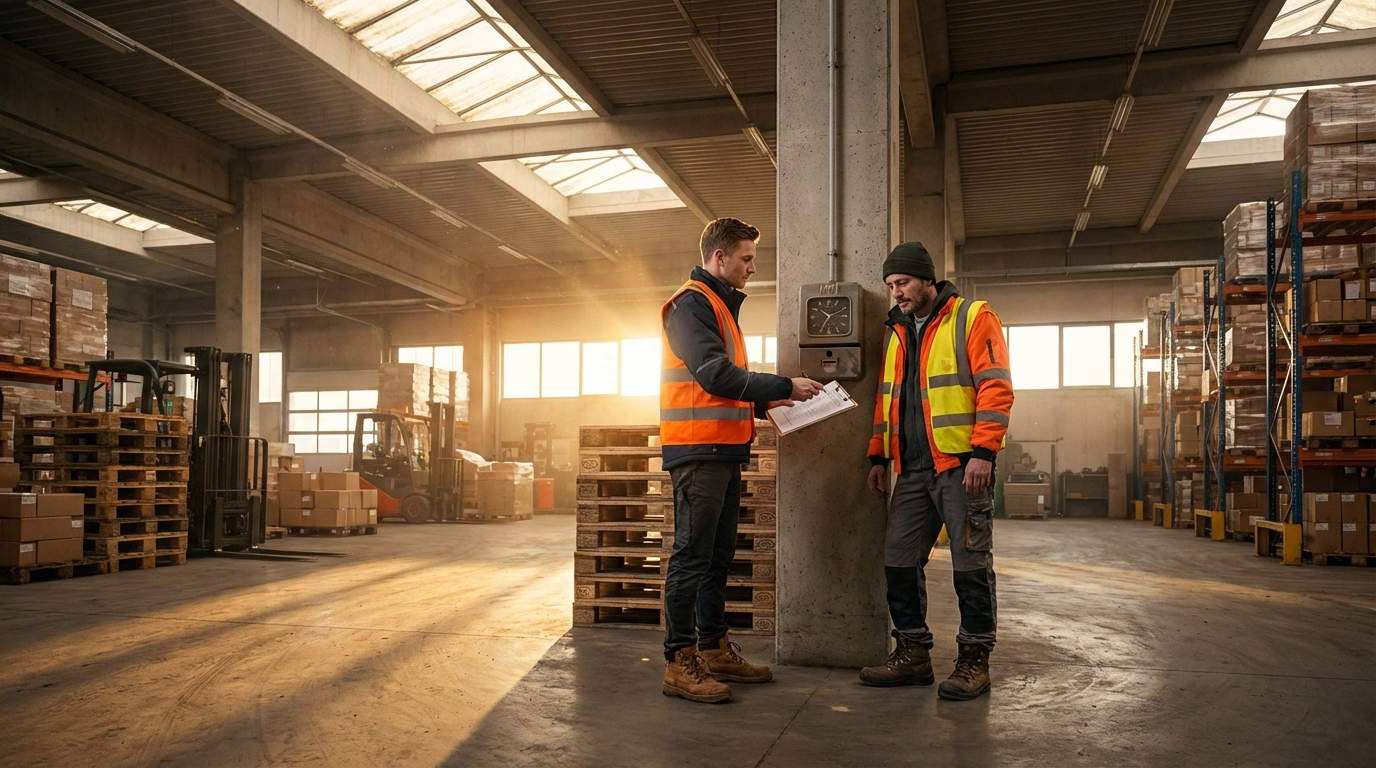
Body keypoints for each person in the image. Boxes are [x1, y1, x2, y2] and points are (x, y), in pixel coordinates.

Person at [659, 217, 823, 704]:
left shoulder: (719, 308)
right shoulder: (691, 304)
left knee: (717, 557)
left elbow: (722, 384)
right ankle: (678, 659)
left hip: (724, 450)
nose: (753, 267)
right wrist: (782, 386)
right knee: (691, 557)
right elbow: (713, 375)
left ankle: (712, 646)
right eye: (746, 259)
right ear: (719, 258)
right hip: (697, 450)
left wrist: (764, 402)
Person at [861, 241, 1013, 701]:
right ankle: (912, 653)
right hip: (910, 470)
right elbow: (887, 399)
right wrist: (877, 455)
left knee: (970, 567)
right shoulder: (897, 331)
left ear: (928, 279)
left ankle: (974, 659)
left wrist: (984, 452)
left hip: (960, 466)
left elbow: (996, 387)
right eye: (890, 286)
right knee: (898, 563)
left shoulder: (971, 317)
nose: (896, 293)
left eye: (902, 283)